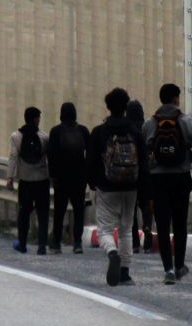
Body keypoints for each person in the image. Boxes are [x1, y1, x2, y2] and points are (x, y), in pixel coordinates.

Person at [144, 83, 192, 285]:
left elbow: (144, 150)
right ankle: (180, 265)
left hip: (158, 180)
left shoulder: (150, 124)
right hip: (181, 178)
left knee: (162, 225)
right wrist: (188, 156)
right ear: (176, 98)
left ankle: (168, 269)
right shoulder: (187, 121)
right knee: (180, 223)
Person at [87, 88, 147, 287]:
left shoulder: (99, 132)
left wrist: (93, 182)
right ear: (126, 107)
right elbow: (144, 161)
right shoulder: (136, 132)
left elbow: (91, 160)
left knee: (105, 230)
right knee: (126, 230)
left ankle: (112, 253)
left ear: (108, 107)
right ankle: (125, 273)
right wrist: (142, 186)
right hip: (131, 187)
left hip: (107, 187)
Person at [47, 102, 90, 254]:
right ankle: (77, 243)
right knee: (79, 211)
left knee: (59, 211)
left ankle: (56, 243)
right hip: (79, 178)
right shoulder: (83, 131)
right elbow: (90, 155)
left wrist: (53, 177)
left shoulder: (56, 131)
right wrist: (87, 175)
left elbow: (51, 156)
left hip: (61, 179)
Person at [6, 106, 50, 255]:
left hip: (25, 181)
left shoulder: (15, 137)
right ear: (36, 119)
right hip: (42, 181)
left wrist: (10, 177)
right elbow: (49, 159)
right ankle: (42, 246)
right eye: (38, 118)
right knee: (43, 213)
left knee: (24, 213)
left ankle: (22, 244)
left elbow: (13, 157)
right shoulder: (44, 137)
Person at [126, 99, 154, 253]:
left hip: (130, 173)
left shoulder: (126, 128)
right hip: (146, 172)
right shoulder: (146, 127)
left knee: (131, 209)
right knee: (146, 205)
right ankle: (148, 228)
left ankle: (135, 243)